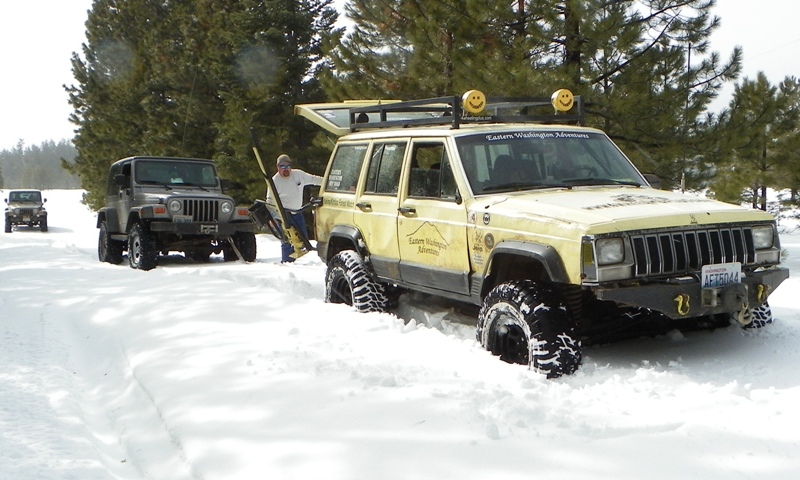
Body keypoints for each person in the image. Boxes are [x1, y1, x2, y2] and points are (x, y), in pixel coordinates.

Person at [267, 153, 323, 263]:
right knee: (287, 240)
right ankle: (287, 263)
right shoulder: (274, 181)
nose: (285, 169)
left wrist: (330, 183)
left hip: (297, 213)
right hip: (284, 216)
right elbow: (270, 201)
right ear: (278, 167)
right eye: (282, 166)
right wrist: (273, 218)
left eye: (288, 166)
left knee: (303, 240)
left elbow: (315, 180)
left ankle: (302, 264)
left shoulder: (298, 175)